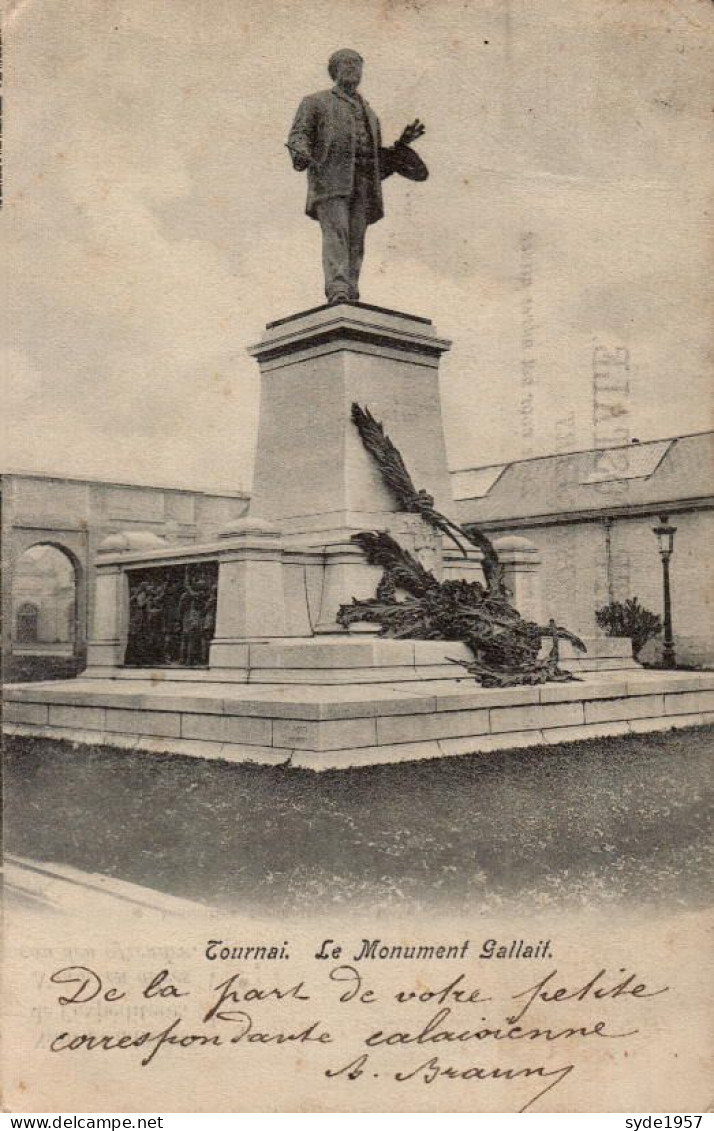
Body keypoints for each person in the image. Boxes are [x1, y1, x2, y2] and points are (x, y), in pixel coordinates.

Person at [287, 49, 424, 303]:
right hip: (331, 180)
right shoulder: (316, 102)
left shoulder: (370, 114)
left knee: (356, 241)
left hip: (364, 184)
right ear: (334, 71)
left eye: (357, 64)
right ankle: (338, 288)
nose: (353, 68)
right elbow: (299, 134)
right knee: (336, 233)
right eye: (346, 63)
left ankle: (350, 288)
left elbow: (375, 157)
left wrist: (401, 145)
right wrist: (302, 153)